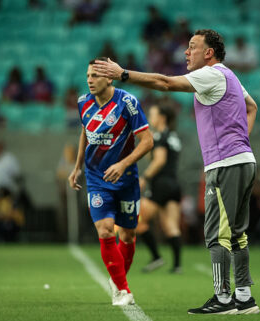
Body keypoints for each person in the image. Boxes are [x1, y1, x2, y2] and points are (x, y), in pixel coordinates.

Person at [93, 29, 260, 315]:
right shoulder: (229, 76)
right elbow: (252, 106)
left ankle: (222, 299)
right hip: (244, 160)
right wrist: (240, 141)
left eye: (192, 47)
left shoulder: (211, 74)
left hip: (225, 164)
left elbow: (164, 82)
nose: (186, 52)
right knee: (237, 234)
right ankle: (243, 297)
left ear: (209, 53)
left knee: (216, 233)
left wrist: (122, 74)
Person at [68, 57, 154, 306]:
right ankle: (123, 290)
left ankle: (117, 281)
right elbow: (86, 131)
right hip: (97, 178)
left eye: (94, 76)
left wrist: (124, 163)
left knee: (127, 236)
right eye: (87, 76)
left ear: (109, 77)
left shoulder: (128, 103)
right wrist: (77, 167)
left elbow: (148, 141)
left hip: (126, 178)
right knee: (105, 230)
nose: (89, 80)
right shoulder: (83, 102)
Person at [136, 104, 183, 274]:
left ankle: (156, 256)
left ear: (162, 117)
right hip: (174, 185)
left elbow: (159, 160)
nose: (150, 117)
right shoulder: (173, 136)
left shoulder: (161, 137)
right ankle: (177, 265)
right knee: (171, 225)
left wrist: (145, 177)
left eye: (152, 114)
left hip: (161, 184)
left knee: (137, 218)